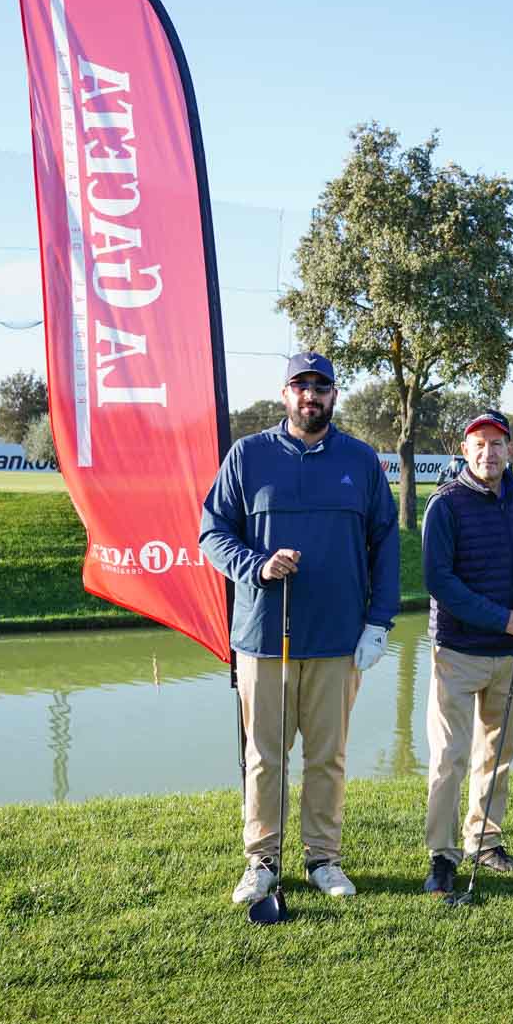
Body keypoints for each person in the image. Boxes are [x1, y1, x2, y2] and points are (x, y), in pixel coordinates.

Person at [200, 352, 399, 904]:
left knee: (327, 758)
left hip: (338, 639)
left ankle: (322, 859)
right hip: (264, 639)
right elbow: (212, 533)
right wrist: (257, 566)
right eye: (300, 386)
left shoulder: (360, 461)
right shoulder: (248, 455)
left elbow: (386, 545)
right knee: (266, 757)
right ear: (285, 395)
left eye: (321, 387)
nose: (311, 395)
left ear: (334, 396)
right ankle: (262, 861)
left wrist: (378, 622)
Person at [419, 409, 513, 894]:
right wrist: (503, 618)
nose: (488, 453)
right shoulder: (446, 503)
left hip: (511, 650)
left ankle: (485, 841)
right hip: (458, 651)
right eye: (479, 443)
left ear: (510, 449)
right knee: (449, 756)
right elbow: (439, 581)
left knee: (497, 753)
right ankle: (442, 854)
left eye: (497, 444)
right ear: (465, 448)